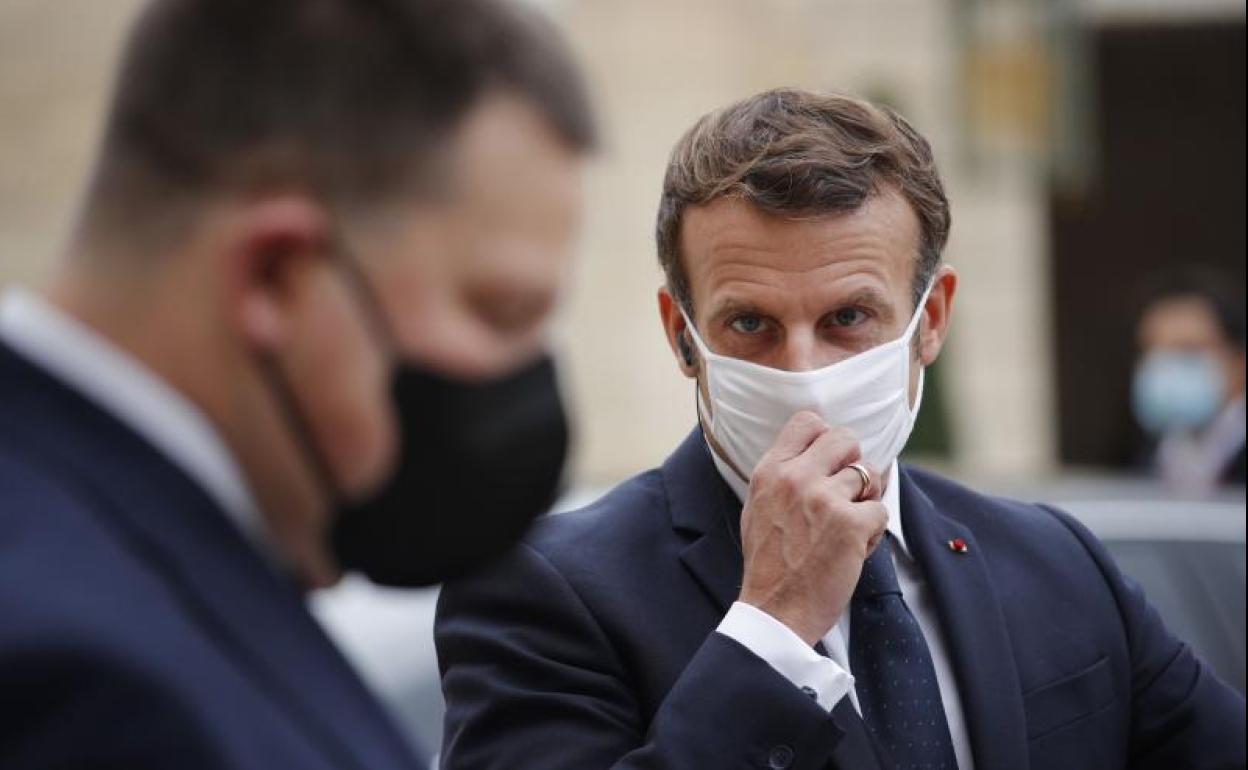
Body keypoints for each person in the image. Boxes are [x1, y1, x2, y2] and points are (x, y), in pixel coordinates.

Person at [435, 89, 1245, 770]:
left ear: (930, 319)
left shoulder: (1056, 566)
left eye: (849, 317)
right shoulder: (543, 597)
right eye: (749, 323)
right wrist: (772, 628)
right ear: (682, 335)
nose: (803, 373)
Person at [0, 0, 594, 767]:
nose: (527, 378)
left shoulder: (137, 559)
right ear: (277, 275)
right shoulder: (88, 684)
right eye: (500, 311)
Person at [1131, 271, 1246, 492]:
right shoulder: (1147, 458)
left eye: (1187, 349)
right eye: (1152, 350)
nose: (1164, 366)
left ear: (1240, 362)